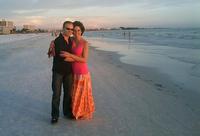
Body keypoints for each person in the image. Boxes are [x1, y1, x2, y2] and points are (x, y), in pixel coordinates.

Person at [60, 21, 95, 120]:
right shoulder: (70, 40)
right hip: (72, 72)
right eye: (74, 30)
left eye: (78, 30)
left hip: (82, 72)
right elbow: (61, 39)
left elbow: (84, 59)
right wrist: (52, 43)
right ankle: (74, 111)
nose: (76, 32)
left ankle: (80, 112)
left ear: (82, 31)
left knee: (81, 95)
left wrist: (70, 55)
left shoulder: (85, 43)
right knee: (73, 94)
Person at [48, 21, 74, 124]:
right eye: (68, 28)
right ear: (63, 28)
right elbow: (63, 56)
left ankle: (67, 112)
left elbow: (71, 54)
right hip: (58, 72)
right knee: (56, 94)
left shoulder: (71, 41)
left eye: (71, 29)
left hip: (69, 72)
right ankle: (55, 116)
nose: (70, 31)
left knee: (68, 94)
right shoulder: (57, 41)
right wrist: (77, 58)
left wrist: (72, 56)